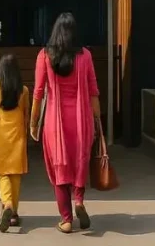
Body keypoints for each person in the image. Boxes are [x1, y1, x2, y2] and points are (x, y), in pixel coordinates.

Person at [30, 13, 100, 234]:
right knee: (80, 160)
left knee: (59, 166)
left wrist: (33, 123)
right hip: (82, 119)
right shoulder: (86, 56)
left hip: (54, 122)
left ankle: (66, 219)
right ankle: (78, 200)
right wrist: (97, 121)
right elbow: (93, 91)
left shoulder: (44, 56)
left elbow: (38, 93)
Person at [0, 54, 30, 232]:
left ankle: (7, 204)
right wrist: (27, 132)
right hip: (18, 134)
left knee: (2, 173)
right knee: (16, 175)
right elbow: (26, 114)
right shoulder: (24, 90)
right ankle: (13, 214)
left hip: (1, 135)